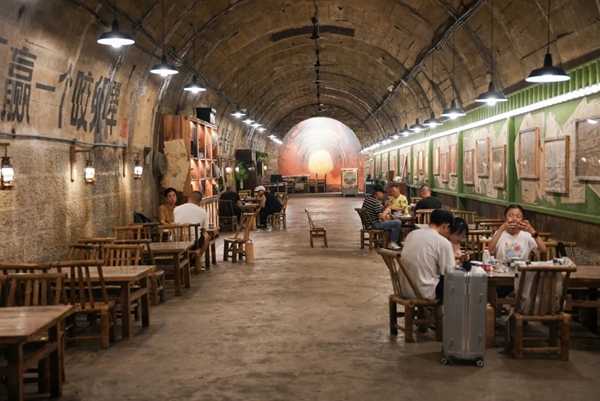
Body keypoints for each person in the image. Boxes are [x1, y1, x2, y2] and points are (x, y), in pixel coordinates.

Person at [400, 209, 455, 302]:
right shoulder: (443, 242)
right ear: (446, 226)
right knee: (457, 284)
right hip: (425, 291)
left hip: (404, 288)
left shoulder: (412, 234)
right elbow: (450, 273)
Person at [362, 185, 402, 250]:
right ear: (378, 193)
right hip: (375, 224)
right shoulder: (375, 202)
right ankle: (392, 243)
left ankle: (383, 241)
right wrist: (387, 211)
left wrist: (385, 205)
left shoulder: (368, 199)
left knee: (390, 222)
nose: (383, 195)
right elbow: (381, 217)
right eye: (382, 193)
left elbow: (377, 209)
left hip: (368, 224)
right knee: (397, 222)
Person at [174, 191, 210, 259]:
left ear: (188, 198)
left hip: (176, 241)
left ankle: (186, 258)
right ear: (199, 202)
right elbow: (203, 229)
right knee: (206, 235)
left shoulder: (176, 209)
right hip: (194, 243)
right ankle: (196, 260)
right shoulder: (202, 211)